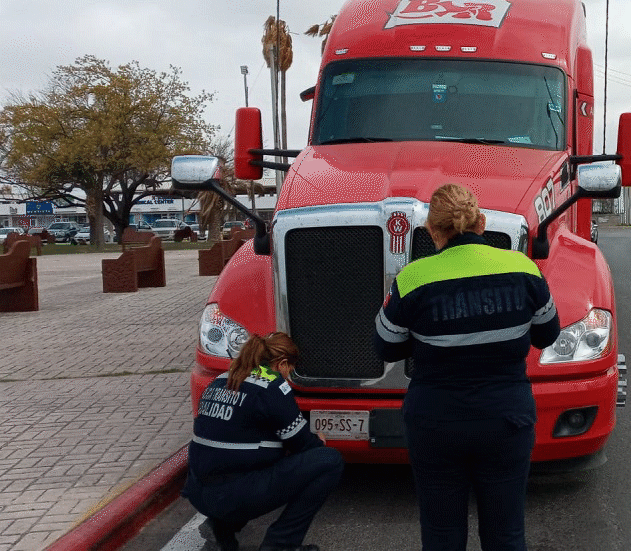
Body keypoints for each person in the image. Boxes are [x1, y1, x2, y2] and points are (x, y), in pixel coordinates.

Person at [374, 183, 560, 551]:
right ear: (482, 222)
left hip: (436, 423)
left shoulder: (413, 278)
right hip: (507, 420)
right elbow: (547, 335)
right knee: (506, 533)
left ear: (433, 231)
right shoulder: (523, 269)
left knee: (442, 535)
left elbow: (386, 347)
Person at [182, 332, 344, 551]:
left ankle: (221, 528)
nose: (289, 376)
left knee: (245, 458)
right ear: (282, 363)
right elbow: (302, 445)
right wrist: (319, 441)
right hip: (231, 496)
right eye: (290, 369)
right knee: (329, 461)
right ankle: (280, 545)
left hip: (198, 493)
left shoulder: (223, 378)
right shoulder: (273, 385)